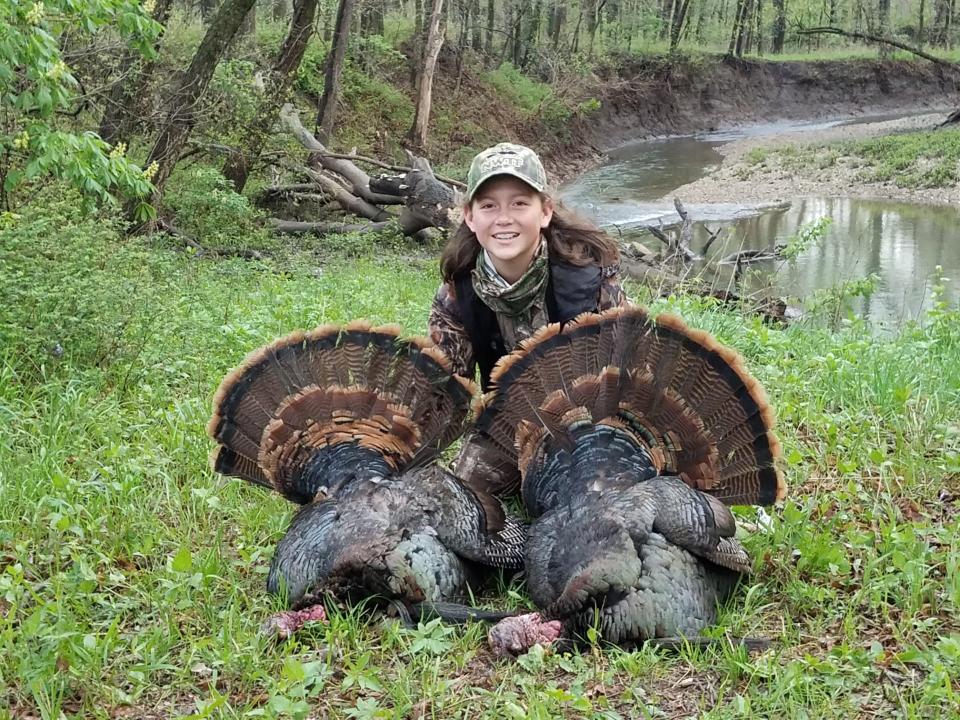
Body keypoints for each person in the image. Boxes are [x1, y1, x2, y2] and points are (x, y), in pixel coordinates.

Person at [428, 142, 628, 497]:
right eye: (489, 205)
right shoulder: (457, 293)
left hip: (589, 425)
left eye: (519, 203)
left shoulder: (590, 277)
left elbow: (623, 369)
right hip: (505, 427)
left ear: (545, 211)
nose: (504, 218)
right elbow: (447, 390)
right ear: (470, 217)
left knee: (598, 501)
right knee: (465, 497)